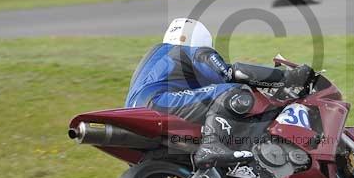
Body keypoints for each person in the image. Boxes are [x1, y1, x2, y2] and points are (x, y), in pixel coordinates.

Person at [125, 18, 313, 168]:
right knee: (234, 91)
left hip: (134, 111)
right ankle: (212, 145)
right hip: (159, 102)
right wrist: (284, 77)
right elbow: (232, 74)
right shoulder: (191, 51)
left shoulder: (155, 59)